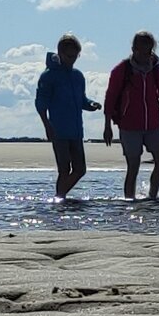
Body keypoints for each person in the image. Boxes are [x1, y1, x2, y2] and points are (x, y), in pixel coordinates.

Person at [103, 31, 159, 200]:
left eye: (149, 52)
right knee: (133, 166)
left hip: (153, 125)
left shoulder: (156, 69)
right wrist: (107, 126)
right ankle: (130, 200)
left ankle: (152, 196)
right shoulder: (122, 70)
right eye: (141, 51)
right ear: (133, 49)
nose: (145, 56)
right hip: (129, 126)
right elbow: (110, 98)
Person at [35, 34, 101, 198]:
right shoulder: (48, 76)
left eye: (75, 56)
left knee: (80, 169)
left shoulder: (78, 76)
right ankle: (60, 199)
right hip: (58, 130)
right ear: (60, 53)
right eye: (69, 56)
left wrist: (91, 104)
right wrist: (47, 125)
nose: (72, 60)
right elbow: (40, 103)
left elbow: (82, 100)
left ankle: (60, 196)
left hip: (76, 131)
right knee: (64, 169)